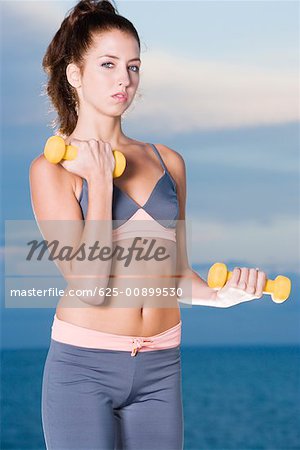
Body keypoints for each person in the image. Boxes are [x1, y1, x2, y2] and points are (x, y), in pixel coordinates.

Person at [29, 1, 267, 448]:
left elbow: (174, 276)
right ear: (75, 74)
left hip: (161, 369)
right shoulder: (51, 169)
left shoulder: (167, 161)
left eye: (133, 66)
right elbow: (90, 284)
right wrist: (100, 181)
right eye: (108, 64)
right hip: (84, 367)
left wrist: (221, 296)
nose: (125, 79)